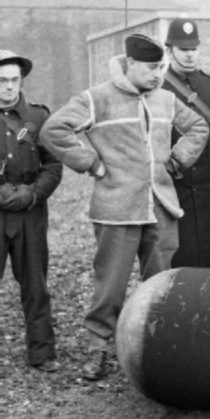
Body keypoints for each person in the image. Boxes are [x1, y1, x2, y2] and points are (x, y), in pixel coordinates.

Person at [41, 34, 209, 380]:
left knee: (161, 285)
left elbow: (198, 126)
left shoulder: (165, 98)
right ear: (130, 63)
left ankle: (158, 349)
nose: (157, 74)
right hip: (115, 209)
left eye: (160, 67)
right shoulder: (97, 98)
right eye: (150, 68)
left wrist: (176, 162)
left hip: (161, 207)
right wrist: (91, 163)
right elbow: (54, 130)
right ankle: (98, 350)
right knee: (110, 286)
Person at [0, 50, 63, 372]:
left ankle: (42, 352)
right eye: (1, 80)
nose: (8, 87)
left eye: (13, 80)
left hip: (29, 214)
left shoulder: (37, 118)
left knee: (35, 285)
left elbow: (53, 165)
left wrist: (33, 194)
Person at [162, 18, 210, 268]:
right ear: (170, 51)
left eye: (193, 49)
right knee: (178, 254)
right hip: (173, 185)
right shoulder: (159, 87)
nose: (190, 55)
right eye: (183, 50)